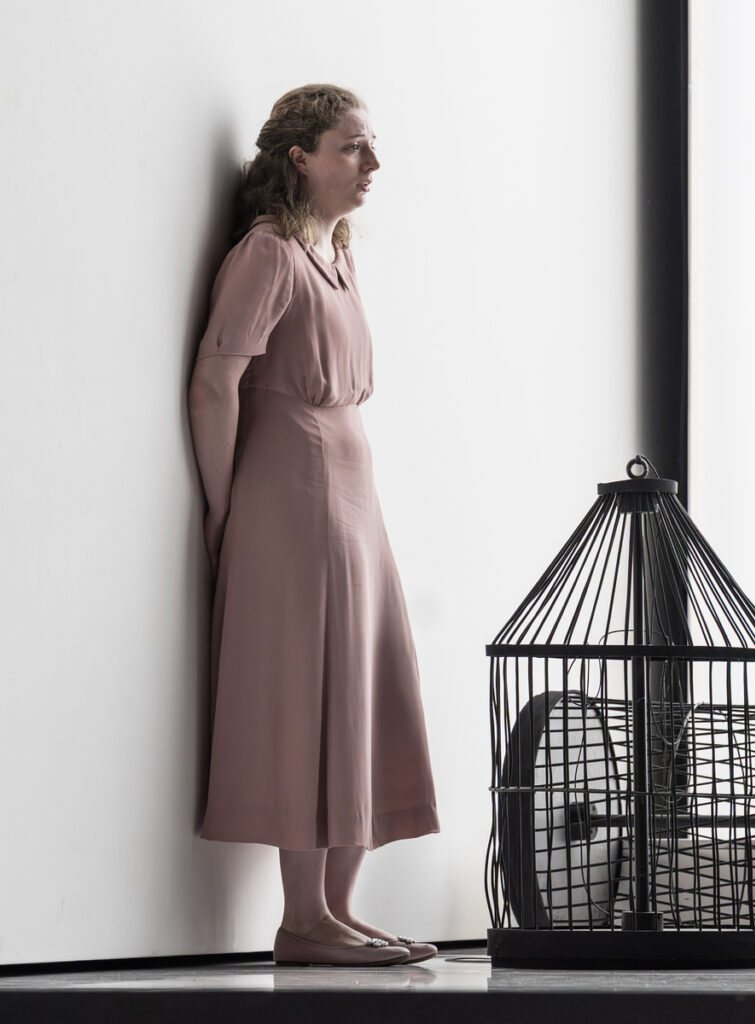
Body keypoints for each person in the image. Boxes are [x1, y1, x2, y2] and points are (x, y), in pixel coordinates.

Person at [187, 84, 440, 967]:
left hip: (352, 493)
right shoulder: (269, 252)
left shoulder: (336, 253)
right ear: (299, 158)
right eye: (352, 147)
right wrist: (223, 505)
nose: (373, 164)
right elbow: (216, 381)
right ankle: (303, 918)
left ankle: (336, 906)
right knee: (309, 691)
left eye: (371, 147)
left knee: (366, 686)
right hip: (294, 492)